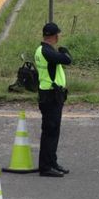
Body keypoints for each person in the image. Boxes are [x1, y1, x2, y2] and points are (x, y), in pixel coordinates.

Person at [35, 22, 72, 177]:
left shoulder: (41, 49)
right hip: (50, 96)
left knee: (53, 131)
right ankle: (45, 167)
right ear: (54, 36)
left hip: (50, 95)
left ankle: (52, 162)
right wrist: (64, 51)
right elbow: (67, 59)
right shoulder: (47, 52)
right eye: (58, 34)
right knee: (50, 132)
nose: (59, 37)